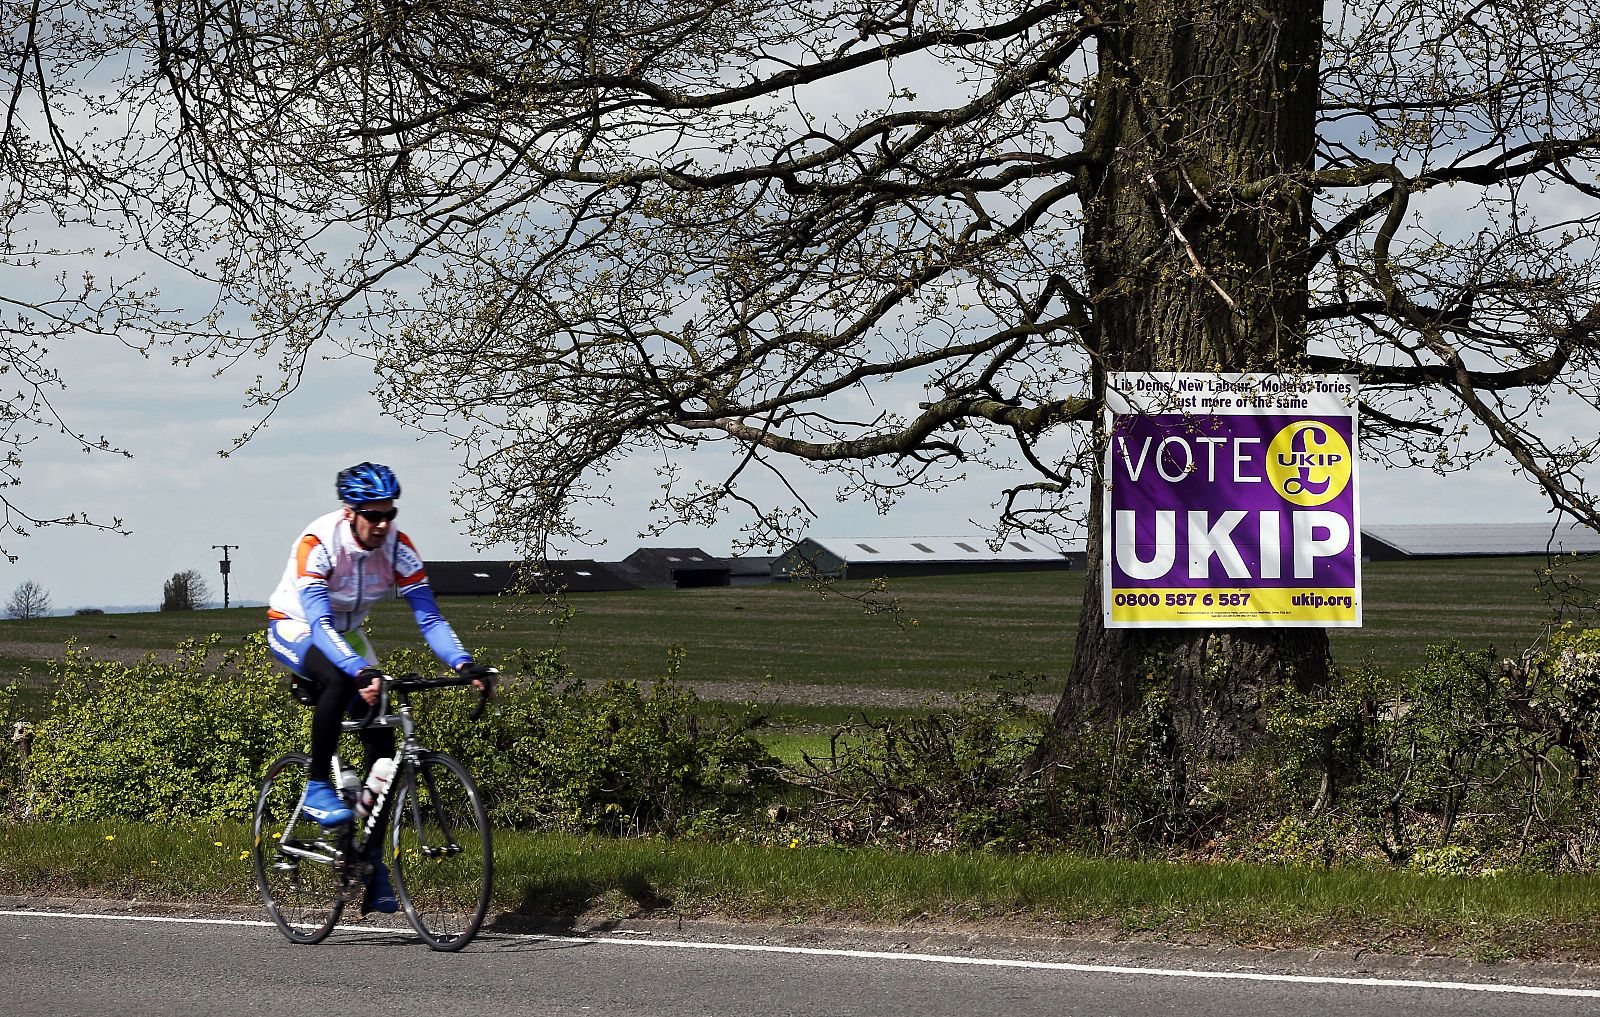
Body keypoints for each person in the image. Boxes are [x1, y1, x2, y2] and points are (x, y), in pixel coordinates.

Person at [265, 461, 493, 915]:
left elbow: (429, 617)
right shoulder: (319, 544)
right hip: (297, 626)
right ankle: (315, 785)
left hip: (346, 633)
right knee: (336, 677)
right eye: (374, 515)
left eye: (390, 513)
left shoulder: (398, 548)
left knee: (384, 743)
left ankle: (366, 855)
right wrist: (357, 670)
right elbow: (318, 621)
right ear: (350, 512)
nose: (383, 524)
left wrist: (464, 662)